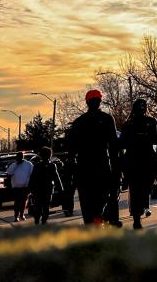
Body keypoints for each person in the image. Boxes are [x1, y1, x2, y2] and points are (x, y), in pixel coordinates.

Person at [68, 89, 119, 225]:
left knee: (87, 200)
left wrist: (72, 168)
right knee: (102, 196)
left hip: (86, 166)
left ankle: (93, 222)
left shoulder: (79, 122)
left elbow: (71, 149)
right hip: (100, 165)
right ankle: (97, 218)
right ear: (99, 101)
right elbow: (114, 145)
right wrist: (117, 168)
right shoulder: (107, 119)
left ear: (86, 102)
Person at [119, 98, 157, 229]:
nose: (142, 108)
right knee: (135, 189)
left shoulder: (151, 122)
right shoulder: (128, 124)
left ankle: (141, 208)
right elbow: (121, 144)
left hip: (148, 160)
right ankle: (137, 219)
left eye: (144, 106)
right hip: (133, 161)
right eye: (139, 106)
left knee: (146, 188)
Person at [29, 146, 64, 224]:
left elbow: (32, 178)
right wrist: (60, 188)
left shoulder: (38, 165)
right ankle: (43, 220)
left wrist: (30, 188)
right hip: (47, 189)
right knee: (46, 206)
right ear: (50, 155)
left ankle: (37, 219)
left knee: (38, 206)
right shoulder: (51, 165)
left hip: (39, 189)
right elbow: (56, 178)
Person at [5, 151, 33, 222]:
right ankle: (16, 216)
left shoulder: (28, 164)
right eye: (18, 157)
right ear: (16, 158)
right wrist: (16, 165)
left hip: (25, 187)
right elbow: (9, 172)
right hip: (16, 187)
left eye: (21, 156)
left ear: (23, 157)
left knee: (23, 201)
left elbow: (32, 174)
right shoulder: (13, 165)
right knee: (17, 202)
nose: (19, 158)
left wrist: (30, 185)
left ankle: (22, 214)